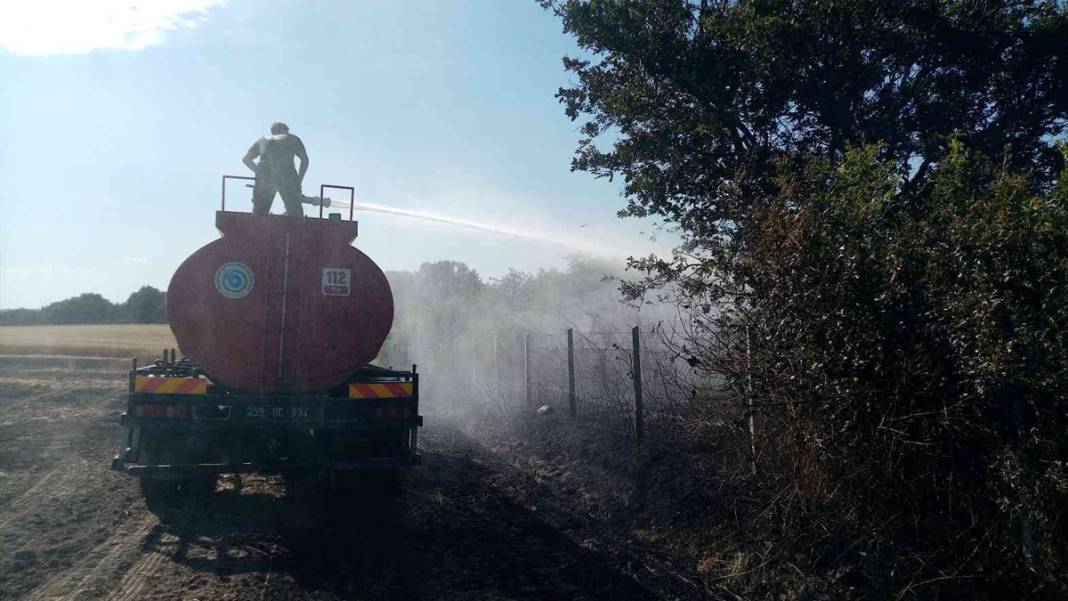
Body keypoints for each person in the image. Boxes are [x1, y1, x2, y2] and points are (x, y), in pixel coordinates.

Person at [243, 122, 309, 217]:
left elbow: (246, 159)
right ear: (286, 130)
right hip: (287, 177)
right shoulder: (293, 139)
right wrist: (298, 181)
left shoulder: (262, 140)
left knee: (259, 215)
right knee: (295, 214)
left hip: (265, 178)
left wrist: (259, 173)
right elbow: (305, 160)